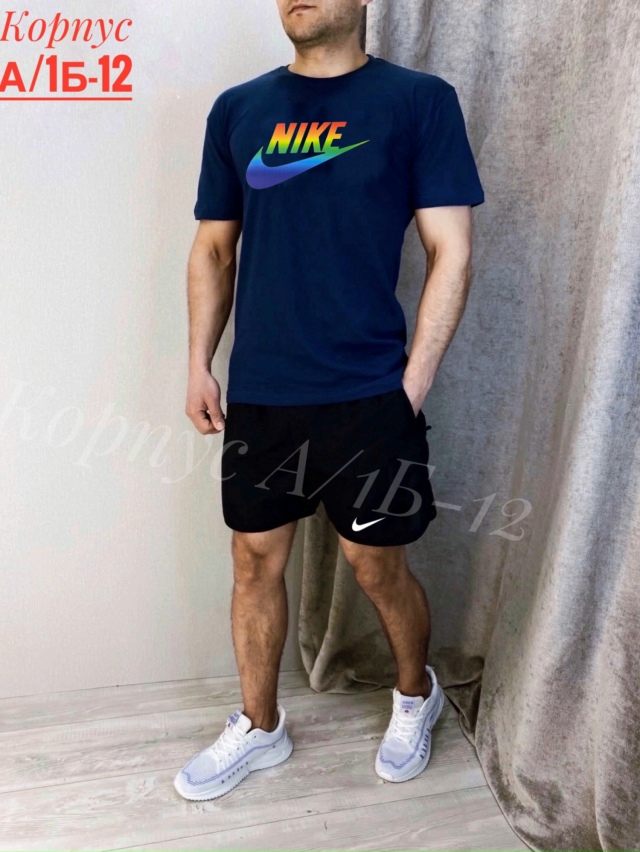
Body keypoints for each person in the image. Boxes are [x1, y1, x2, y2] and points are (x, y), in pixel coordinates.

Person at [175, 0, 484, 801]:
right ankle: (260, 725)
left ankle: (415, 695)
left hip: (368, 394)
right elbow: (214, 248)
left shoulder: (418, 101)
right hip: (263, 395)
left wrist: (411, 386)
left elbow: (450, 249)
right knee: (253, 561)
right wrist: (199, 363)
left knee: (375, 564)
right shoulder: (239, 110)